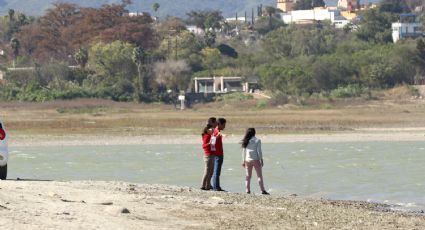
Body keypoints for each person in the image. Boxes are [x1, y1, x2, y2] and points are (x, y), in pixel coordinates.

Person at [241, 128, 269, 195]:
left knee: (248, 176)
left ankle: (247, 190)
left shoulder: (246, 140)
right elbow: (259, 151)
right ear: (254, 133)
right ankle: (262, 190)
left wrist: (243, 161)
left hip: (247, 160)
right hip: (256, 160)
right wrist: (261, 159)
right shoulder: (257, 140)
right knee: (259, 176)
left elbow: (243, 152)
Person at [200, 117, 217, 190]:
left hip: (212, 154)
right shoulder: (206, 136)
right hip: (208, 155)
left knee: (211, 171)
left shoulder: (211, 135)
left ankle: (208, 185)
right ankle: (203, 185)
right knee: (207, 171)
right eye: (211, 130)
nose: (212, 131)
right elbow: (204, 145)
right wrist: (209, 143)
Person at [212, 118, 226, 191]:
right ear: (219, 124)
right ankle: (216, 187)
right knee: (216, 171)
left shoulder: (216, 130)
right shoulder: (216, 131)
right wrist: (219, 136)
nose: (224, 126)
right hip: (218, 154)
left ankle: (217, 186)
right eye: (224, 125)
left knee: (217, 171)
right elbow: (212, 141)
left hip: (218, 154)